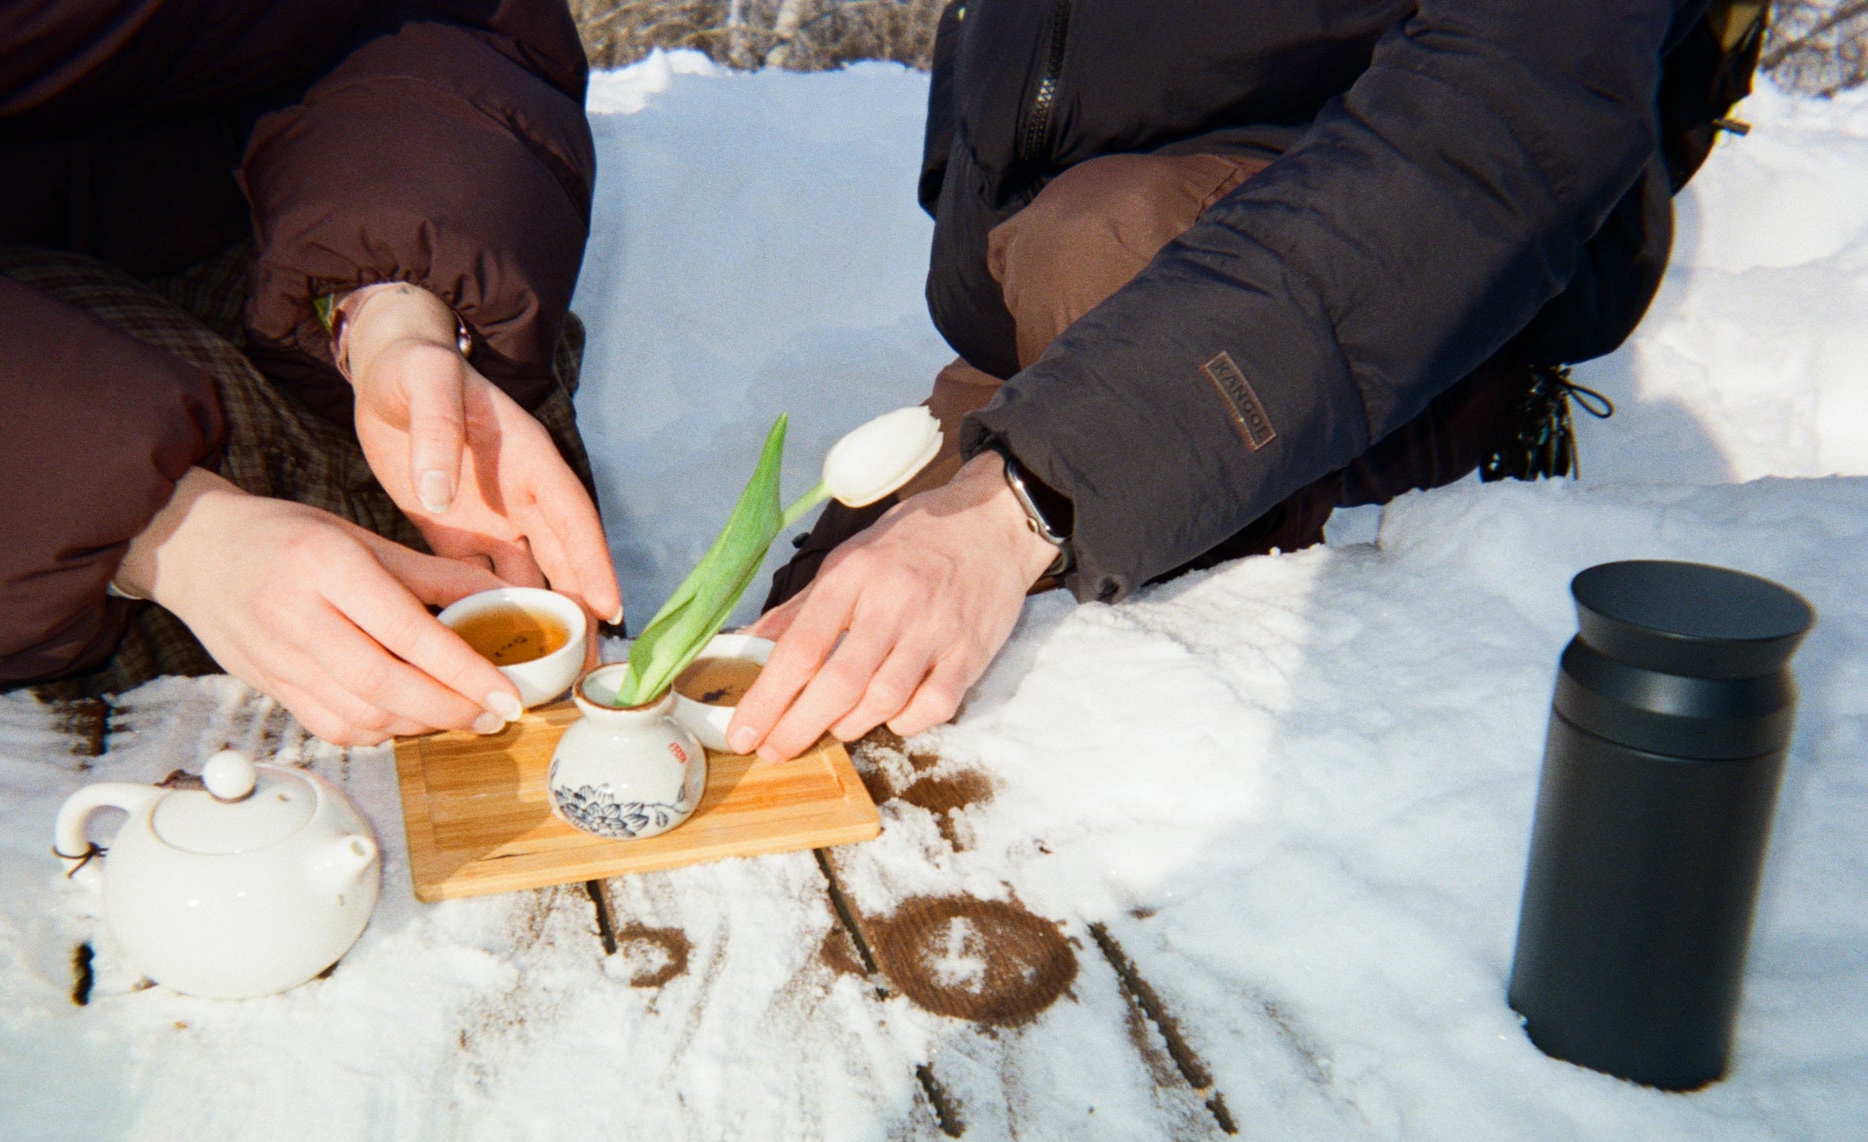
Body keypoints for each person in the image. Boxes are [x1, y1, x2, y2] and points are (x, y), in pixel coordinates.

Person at [729, 0, 1765, 764]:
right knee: (789, 685)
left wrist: (1033, 495)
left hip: (1352, 304)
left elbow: (1501, 121)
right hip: (1051, 285)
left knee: (976, 738)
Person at [0, 1, 622, 746]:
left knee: (475, 454)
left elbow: (447, 17)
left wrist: (387, 308)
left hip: (291, 207)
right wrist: (162, 536)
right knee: (264, 683)